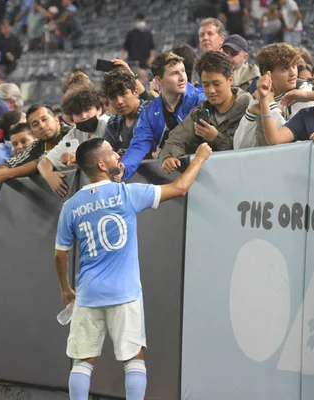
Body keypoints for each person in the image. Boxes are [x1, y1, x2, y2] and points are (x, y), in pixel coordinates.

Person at [54, 138, 212, 400]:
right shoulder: (126, 193)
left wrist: (66, 290)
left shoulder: (70, 206)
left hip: (88, 293)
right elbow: (180, 187)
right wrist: (200, 158)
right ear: (102, 164)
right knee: (133, 358)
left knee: (83, 361)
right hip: (124, 292)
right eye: (113, 154)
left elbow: (60, 256)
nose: (118, 156)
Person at [119, 52, 206, 181]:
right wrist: (124, 168)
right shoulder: (149, 114)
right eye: (174, 73)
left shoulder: (200, 99)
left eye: (183, 71)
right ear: (159, 81)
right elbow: (139, 145)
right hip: (173, 179)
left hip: (206, 171)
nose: (182, 78)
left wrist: (161, 154)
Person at [161, 51, 251, 173]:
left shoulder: (249, 108)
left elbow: (249, 149)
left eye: (216, 84)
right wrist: (170, 157)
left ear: (230, 80)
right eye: (206, 85)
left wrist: (216, 138)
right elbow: (175, 139)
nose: (211, 90)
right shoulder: (199, 112)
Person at [233, 43, 314, 149]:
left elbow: (284, 142)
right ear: (267, 73)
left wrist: (269, 104)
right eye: (284, 69)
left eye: (294, 66)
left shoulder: (305, 93)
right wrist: (251, 113)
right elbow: (240, 147)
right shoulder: (259, 95)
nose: (293, 73)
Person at [38, 88, 109, 197]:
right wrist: (49, 175)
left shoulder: (108, 124)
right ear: (72, 118)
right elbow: (44, 162)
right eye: (78, 113)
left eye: (87, 110)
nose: (84, 116)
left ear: (99, 109)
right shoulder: (74, 133)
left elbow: (106, 157)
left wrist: (79, 158)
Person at [0, 104, 71, 183]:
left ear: (56, 120)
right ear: (32, 132)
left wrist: (8, 173)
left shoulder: (71, 134)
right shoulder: (36, 144)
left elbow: (46, 160)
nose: (41, 125)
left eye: (44, 119)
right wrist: (0, 172)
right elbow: (12, 162)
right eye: (35, 124)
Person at [101, 69, 151, 155]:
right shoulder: (113, 123)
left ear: (135, 92)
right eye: (113, 97)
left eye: (123, 94)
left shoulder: (152, 113)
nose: (119, 101)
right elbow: (106, 154)